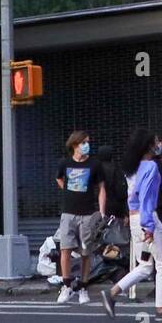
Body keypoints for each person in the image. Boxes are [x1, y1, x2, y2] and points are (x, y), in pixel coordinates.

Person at [101, 127, 162, 320]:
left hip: (134, 219)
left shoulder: (131, 168)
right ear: (149, 145)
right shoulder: (151, 167)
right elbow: (147, 198)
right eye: (156, 141)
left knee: (144, 265)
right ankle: (161, 309)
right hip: (147, 218)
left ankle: (112, 294)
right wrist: (149, 226)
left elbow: (134, 197)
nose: (159, 144)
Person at [54, 130, 107, 305]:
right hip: (68, 213)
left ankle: (83, 287)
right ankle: (67, 285)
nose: (87, 145)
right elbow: (59, 179)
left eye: (88, 142)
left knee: (86, 252)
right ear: (75, 145)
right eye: (84, 142)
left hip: (87, 214)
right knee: (65, 250)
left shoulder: (95, 164)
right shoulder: (65, 163)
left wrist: (101, 211)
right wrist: (68, 191)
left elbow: (101, 188)